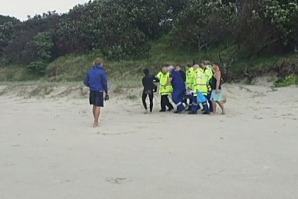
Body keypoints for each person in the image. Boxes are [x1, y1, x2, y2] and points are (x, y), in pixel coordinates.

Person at [84, 58, 109, 127]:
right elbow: (105, 83)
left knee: (94, 105)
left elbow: (85, 82)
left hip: (92, 90)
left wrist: (90, 85)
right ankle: (96, 122)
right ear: (101, 63)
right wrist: (106, 91)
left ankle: (95, 120)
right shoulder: (102, 72)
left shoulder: (90, 71)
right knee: (98, 106)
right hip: (99, 90)